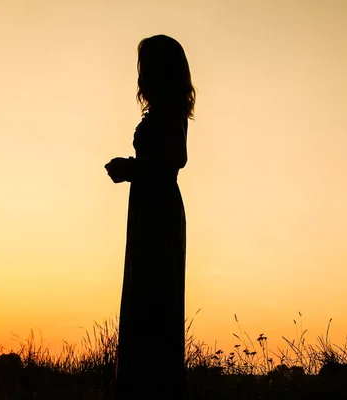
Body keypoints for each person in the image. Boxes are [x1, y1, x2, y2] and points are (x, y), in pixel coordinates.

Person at [105, 34, 195, 399]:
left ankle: (152, 387)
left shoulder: (171, 110)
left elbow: (177, 159)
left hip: (158, 211)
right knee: (145, 298)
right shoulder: (159, 110)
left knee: (155, 299)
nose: (142, 72)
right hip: (146, 209)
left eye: (148, 63)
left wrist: (132, 168)